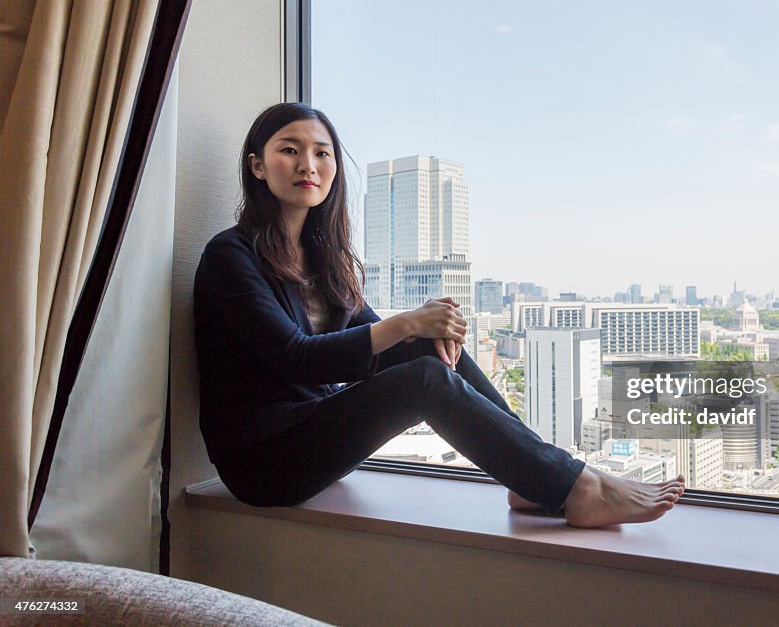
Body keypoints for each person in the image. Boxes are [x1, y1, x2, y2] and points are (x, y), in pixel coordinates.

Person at [193, 102, 684, 527]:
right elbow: (298, 360)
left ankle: (537, 479)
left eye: (322, 152)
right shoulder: (230, 256)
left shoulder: (325, 258)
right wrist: (407, 321)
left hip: (312, 437)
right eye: (290, 149)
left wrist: (424, 327)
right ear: (258, 166)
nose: (309, 164)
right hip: (265, 463)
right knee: (421, 373)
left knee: (424, 347)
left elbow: (373, 342)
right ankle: (573, 487)